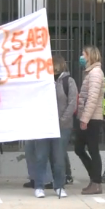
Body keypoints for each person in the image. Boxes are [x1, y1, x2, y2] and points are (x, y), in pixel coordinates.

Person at [37, 54, 77, 199]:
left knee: (58, 158)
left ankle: (59, 186)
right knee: (41, 156)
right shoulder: (42, 81)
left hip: (62, 126)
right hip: (44, 125)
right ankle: (39, 186)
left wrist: (62, 120)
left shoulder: (68, 81)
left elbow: (72, 103)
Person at [76, 45, 105, 195]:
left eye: (83, 54)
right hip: (88, 117)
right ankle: (94, 179)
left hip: (92, 118)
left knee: (92, 150)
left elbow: (92, 98)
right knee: (79, 148)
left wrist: (85, 119)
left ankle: (96, 182)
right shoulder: (90, 72)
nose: (82, 57)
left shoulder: (95, 73)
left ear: (90, 56)